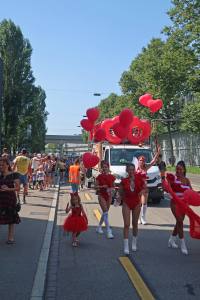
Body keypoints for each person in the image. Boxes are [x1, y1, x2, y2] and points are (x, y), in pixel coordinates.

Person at [119, 163, 146, 255]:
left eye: (132, 169)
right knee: (126, 224)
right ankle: (126, 246)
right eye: (129, 169)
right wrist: (118, 198)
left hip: (136, 203)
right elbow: (120, 192)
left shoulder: (139, 179)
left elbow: (145, 188)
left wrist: (142, 191)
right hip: (126, 203)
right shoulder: (124, 181)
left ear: (134, 170)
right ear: (127, 171)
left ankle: (134, 243)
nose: (131, 171)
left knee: (135, 224)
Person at [166, 161, 192, 255]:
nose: (178, 171)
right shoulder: (173, 179)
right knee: (180, 221)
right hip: (175, 203)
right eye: (177, 169)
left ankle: (171, 240)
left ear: (184, 170)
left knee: (179, 222)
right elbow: (167, 187)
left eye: (180, 169)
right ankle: (183, 244)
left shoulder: (187, 180)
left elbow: (191, 193)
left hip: (184, 204)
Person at [136, 146, 161, 225]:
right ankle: (138, 218)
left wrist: (158, 153)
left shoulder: (145, 167)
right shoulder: (135, 168)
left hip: (144, 188)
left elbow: (153, 161)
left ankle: (143, 217)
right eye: (140, 160)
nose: (141, 162)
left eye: (143, 160)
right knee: (137, 204)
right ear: (138, 161)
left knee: (144, 203)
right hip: (137, 188)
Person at [0, 158, 20, 244]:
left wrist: (8, 189)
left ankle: (10, 238)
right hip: (1, 199)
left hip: (10, 199)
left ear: (7, 165)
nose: (1, 167)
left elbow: (18, 188)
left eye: (2, 165)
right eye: (0, 165)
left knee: (11, 219)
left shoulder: (14, 174)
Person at [95, 161, 116, 239]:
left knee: (105, 213)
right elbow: (95, 186)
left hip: (109, 196)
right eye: (103, 167)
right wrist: (102, 186)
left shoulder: (112, 177)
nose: (105, 168)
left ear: (108, 167)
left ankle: (99, 227)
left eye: (106, 167)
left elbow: (114, 186)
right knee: (106, 213)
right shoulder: (99, 176)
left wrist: (113, 190)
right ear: (102, 168)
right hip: (102, 195)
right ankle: (108, 231)